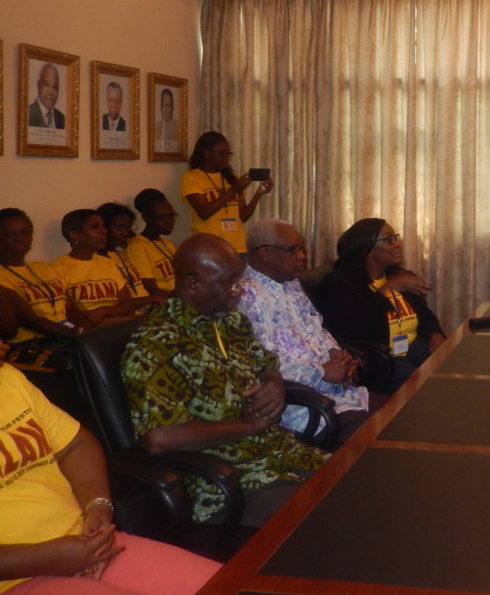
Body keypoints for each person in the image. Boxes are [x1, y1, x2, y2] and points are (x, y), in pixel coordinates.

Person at [121, 233, 328, 527]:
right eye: (229, 283)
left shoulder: (231, 321)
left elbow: (267, 364)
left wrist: (274, 385)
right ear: (193, 284)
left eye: (239, 280)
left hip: (277, 450)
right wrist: (248, 426)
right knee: (320, 521)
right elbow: (160, 438)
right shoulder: (156, 343)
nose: (238, 292)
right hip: (225, 480)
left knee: (352, 484)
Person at [0, 339, 221, 595]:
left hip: (86, 545)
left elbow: (75, 445)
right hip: (16, 578)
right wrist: (48, 557)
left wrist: (97, 506)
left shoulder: (8, 378)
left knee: (229, 585)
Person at [238, 219, 380, 444]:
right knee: (382, 439)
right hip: (306, 409)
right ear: (265, 253)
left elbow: (316, 327)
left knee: (402, 410)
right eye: (293, 249)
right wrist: (321, 372)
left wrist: (338, 355)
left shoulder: (291, 283)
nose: (302, 256)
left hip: (341, 392)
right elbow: (261, 365)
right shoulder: (246, 297)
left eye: (302, 249)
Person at [320, 219, 445, 394]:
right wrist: (387, 289)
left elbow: (425, 315)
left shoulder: (397, 275)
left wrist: (435, 335)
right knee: (427, 389)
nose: (397, 244)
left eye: (396, 237)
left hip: (413, 346)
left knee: (449, 371)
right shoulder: (340, 284)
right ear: (368, 249)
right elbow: (355, 330)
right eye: (389, 239)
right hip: (380, 359)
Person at [181, 132, 272, 254]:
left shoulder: (231, 178)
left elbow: (243, 216)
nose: (226, 158)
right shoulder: (191, 177)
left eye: (228, 153)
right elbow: (203, 212)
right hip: (209, 249)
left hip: (238, 247)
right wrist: (233, 190)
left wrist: (258, 194)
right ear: (206, 153)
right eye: (221, 153)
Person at [52, 210, 134, 331]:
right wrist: (120, 320)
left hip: (118, 326)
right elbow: (73, 315)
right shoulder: (57, 269)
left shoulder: (108, 263)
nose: (104, 231)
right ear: (75, 235)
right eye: (95, 227)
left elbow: (128, 305)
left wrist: (104, 311)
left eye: (103, 226)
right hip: (89, 334)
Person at [0, 208, 73, 342]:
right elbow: (30, 320)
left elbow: (71, 308)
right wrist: (77, 336)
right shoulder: (2, 275)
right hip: (32, 345)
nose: (19, 239)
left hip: (67, 336)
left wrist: (84, 330)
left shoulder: (43, 267)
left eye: (24, 232)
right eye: (10, 234)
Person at [97, 202, 164, 311]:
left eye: (127, 228)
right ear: (105, 228)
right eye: (120, 227)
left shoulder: (122, 254)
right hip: (132, 316)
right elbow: (114, 304)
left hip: (148, 311)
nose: (125, 233)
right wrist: (153, 298)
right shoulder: (99, 261)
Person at [126, 189, 177, 298]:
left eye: (171, 215)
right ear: (146, 218)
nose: (169, 221)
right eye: (162, 217)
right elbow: (150, 288)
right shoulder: (137, 246)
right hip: (164, 303)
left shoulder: (168, 243)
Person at [27, 63, 65, 130]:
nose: (50, 92)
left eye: (55, 87)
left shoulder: (62, 119)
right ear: (39, 85)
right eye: (46, 85)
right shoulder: (27, 113)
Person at [154, 88, 179, 152]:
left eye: (169, 105)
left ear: (173, 107)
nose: (167, 109)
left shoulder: (179, 127)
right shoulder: (155, 127)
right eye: (165, 105)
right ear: (161, 107)